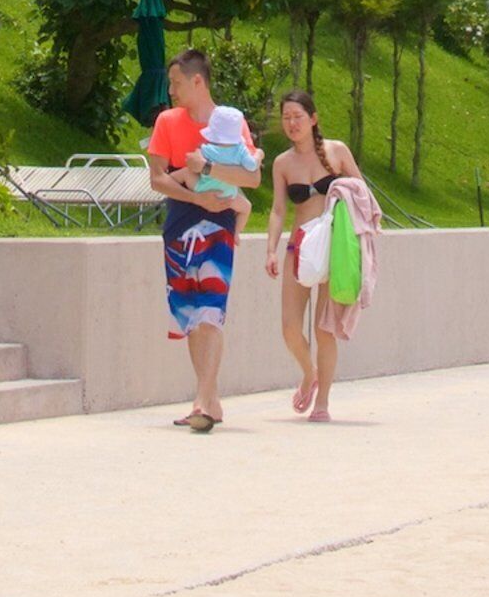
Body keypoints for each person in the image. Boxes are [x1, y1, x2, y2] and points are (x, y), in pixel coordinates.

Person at [144, 49, 250, 431]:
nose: (171, 91)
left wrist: (207, 169)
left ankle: (201, 401)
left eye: (175, 83)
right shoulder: (167, 121)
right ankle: (211, 399)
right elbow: (157, 179)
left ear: (197, 81)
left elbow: (252, 177)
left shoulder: (230, 122)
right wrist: (195, 198)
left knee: (211, 310)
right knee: (190, 313)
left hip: (219, 221)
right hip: (180, 224)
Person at [261, 89, 376, 423]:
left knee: (324, 329)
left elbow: (362, 194)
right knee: (289, 328)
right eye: (286, 117)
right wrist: (270, 249)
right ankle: (308, 372)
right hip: (300, 247)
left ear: (313, 119)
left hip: (334, 248)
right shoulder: (282, 163)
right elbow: (278, 210)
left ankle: (322, 401)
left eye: (298, 116)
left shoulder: (336, 151)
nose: (292, 123)